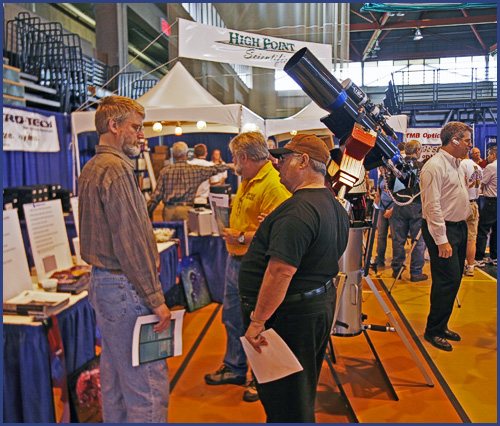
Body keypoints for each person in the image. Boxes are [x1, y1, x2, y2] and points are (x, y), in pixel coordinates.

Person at [238, 134, 349, 422]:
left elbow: (280, 271)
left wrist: (258, 321)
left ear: (303, 161)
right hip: (312, 307)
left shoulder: (298, 211)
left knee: (285, 398)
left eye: (284, 158)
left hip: (287, 318)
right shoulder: (330, 203)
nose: (277, 165)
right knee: (299, 388)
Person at [78, 95, 171, 422]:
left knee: (117, 380)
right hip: (124, 288)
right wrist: (156, 300)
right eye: (135, 127)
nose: (140, 134)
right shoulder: (116, 170)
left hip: (105, 285)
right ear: (113, 126)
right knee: (147, 387)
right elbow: (130, 242)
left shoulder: (92, 167)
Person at [204, 131, 290, 402]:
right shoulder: (248, 178)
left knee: (258, 321)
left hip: (257, 265)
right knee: (231, 317)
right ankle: (235, 366)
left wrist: (242, 237)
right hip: (236, 260)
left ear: (243, 156)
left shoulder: (274, 184)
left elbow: (278, 234)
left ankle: (260, 376)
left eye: (233, 156)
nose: (232, 162)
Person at [420, 121, 472, 352]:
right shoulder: (434, 166)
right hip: (443, 230)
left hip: (459, 227)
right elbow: (432, 207)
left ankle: (442, 326)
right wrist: (442, 239)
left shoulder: (458, 165)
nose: (470, 145)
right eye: (468, 140)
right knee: (445, 281)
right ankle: (433, 330)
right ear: (454, 141)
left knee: (454, 280)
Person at [147, 141, 229, 221]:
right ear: (187, 154)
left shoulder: (165, 171)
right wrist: (228, 166)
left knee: (170, 233)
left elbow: (156, 195)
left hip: (169, 211)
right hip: (186, 210)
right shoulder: (194, 170)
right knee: (186, 233)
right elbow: (214, 169)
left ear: (173, 154)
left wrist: (148, 212)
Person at [389, 140, 428, 282]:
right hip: (416, 204)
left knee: (398, 239)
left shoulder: (397, 165)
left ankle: (397, 270)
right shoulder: (422, 166)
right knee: (418, 240)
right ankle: (416, 272)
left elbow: (390, 185)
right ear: (417, 151)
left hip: (399, 205)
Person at [460, 151, 483, 275]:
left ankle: (459, 265)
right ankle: (471, 266)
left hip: (462, 203)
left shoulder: (461, 165)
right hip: (474, 203)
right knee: (471, 239)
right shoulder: (478, 167)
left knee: (457, 236)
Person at [474, 146, 497, 266]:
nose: (487, 157)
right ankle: (495, 257)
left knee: (483, 229)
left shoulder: (491, 167)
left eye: (488, 154)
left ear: (493, 155)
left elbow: (482, 183)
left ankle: (479, 258)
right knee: (497, 231)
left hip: (492, 202)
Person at [370, 169, 394, 271]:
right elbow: (378, 195)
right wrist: (375, 209)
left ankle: (396, 264)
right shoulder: (381, 178)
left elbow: (399, 196)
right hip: (381, 208)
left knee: (396, 237)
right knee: (380, 235)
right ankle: (379, 259)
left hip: (393, 209)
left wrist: (391, 210)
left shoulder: (395, 177)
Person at [188, 143, 213, 208]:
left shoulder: (187, 165)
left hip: (189, 201)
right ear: (206, 154)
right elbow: (214, 182)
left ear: (194, 154)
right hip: (203, 201)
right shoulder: (210, 165)